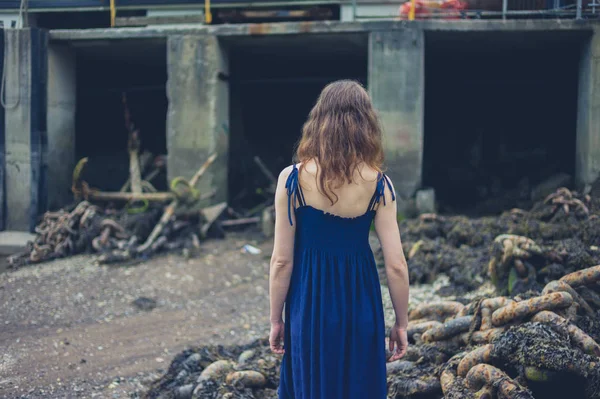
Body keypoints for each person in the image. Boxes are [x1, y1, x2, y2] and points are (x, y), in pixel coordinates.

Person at [268, 80, 410, 399]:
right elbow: (397, 265)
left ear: (319, 122)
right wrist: (401, 324)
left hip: (309, 304)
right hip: (362, 303)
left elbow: (281, 261)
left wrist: (276, 319)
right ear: (366, 126)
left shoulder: (291, 180)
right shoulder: (381, 186)